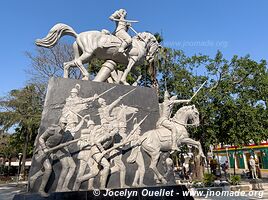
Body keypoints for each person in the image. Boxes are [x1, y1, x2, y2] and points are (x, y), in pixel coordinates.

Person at [29, 118, 76, 197]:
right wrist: (44, 148)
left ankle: (33, 177)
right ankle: (41, 190)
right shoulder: (52, 129)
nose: (65, 125)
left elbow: (58, 145)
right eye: (64, 123)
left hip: (50, 152)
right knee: (48, 169)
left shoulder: (63, 134)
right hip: (42, 151)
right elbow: (41, 138)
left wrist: (65, 144)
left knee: (44, 169)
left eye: (66, 124)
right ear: (60, 123)